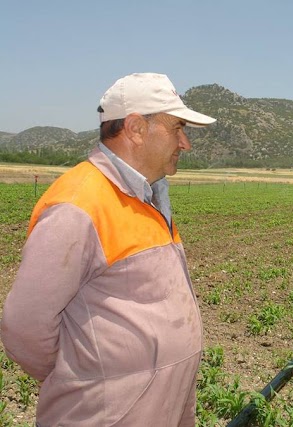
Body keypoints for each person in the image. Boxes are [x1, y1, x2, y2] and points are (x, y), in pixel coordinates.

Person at [1, 73, 216, 426]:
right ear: (135, 128)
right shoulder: (79, 204)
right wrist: (89, 379)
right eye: (177, 128)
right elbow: (24, 327)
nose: (185, 142)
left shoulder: (149, 195)